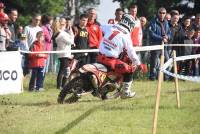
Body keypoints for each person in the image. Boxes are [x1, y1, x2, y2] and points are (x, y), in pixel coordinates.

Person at [97, 14, 142, 99]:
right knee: (130, 69)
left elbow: (100, 27)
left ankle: (106, 87)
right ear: (130, 24)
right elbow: (131, 52)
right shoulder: (126, 35)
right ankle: (125, 92)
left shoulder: (111, 26)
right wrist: (138, 63)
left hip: (99, 56)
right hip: (110, 61)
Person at [148, 7, 172, 80]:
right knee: (154, 64)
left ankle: (166, 78)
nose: (162, 14)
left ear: (165, 14)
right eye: (160, 13)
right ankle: (152, 78)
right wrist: (162, 38)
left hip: (164, 46)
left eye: (163, 13)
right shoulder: (152, 21)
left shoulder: (166, 22)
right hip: (155, 45)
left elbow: (169, 33)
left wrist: (167, 37)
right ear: (158, 13)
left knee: (168, 62)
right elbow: (151, 33)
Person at [55, 18, 74, 90]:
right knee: (63, 70)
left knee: (66, 70)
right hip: (64, 54)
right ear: (59, 24)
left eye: (65, 23)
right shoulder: (61, 33)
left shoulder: (63, 32)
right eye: (63, 24)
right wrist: (71, 32)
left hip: (66, 53)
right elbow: (71, 42)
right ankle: (59, 86)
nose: (65, 25)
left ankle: (62, 86)